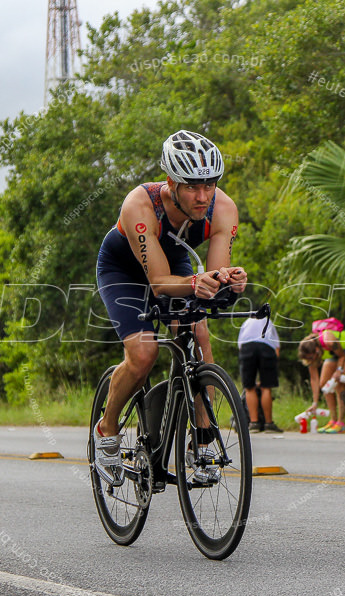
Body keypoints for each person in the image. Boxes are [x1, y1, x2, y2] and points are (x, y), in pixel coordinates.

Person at [93, 130, 247, 484]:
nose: (202, 196)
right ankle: (108, 429)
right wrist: (197, 282)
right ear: (170, 181)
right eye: (192, 186)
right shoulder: (140, 205)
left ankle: (204, 438)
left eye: (209, 185)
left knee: (198, 329)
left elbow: (213, 274)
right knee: (144, 354)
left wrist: (229, 280)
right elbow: (160, 283)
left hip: (175, 263)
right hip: (124, 270)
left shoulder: (223, 208)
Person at [297, 319, 345, 433]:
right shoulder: (309, 351)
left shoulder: (328, 340)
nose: (310, 360)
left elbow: (342, 356)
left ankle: (341, 424)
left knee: (339, 384)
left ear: (316, 351)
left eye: (311, 358)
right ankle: (333, 421)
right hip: (333, 353)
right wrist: (315, 403)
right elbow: (314, 379)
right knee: (324, 384)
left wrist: (339, 371)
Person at [237, 315, 281, 433]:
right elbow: (277, 347)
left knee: (249, 388)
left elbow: (240, 346)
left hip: (247, 347)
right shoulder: (269, 321)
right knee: (266, 387)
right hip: (266, 347)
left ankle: (254, 423)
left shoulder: (246, 322)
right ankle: (268, 424)